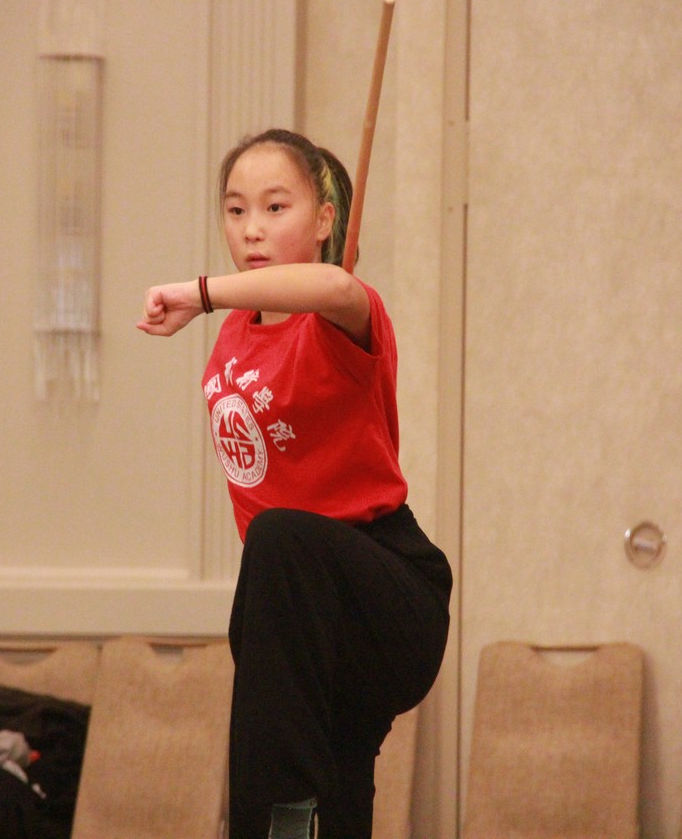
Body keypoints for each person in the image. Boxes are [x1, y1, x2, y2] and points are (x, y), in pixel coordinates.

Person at [138, 128, 452, 838]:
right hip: (300, 608)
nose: (251, 229)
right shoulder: (235, 333)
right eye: (236, 210)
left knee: (278, 542)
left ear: (324, 220)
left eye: (275, 208)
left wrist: (198, 293)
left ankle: (270, 828)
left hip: (384, 586)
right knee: (334, 767)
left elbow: (332, 285)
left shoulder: (339, 317)